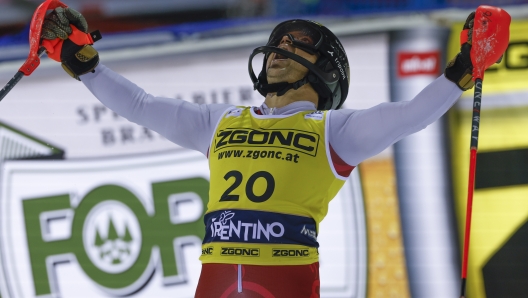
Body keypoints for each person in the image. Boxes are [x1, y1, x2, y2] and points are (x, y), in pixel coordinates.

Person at [41, 8, 489, 298]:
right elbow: (140, 106)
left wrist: (461, 71)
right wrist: (85, 65)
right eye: (280, 42)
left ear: (325, 71)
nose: (280, 50)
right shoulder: (220, 121)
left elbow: (410, 115)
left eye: (297, 45)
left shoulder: (337, 130)